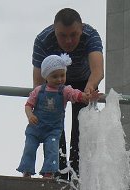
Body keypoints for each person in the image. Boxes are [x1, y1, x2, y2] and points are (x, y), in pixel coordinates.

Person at [32, 8, 104, 179]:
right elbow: (37, 82)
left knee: (81, 128)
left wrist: (89, 89)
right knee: (52, 126)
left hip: (83, 82)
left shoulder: (91, 35)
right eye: (62, 36)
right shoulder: (43, 40)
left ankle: (79, 176)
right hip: (54, 85)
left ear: (81, 29)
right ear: (55, 31)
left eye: (74, 34)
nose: (69, 40)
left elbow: (98, 71)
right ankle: (57, 172)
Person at [17, 54, 101, 178]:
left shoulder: (65, 90)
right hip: (35, 127)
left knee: (52, 150)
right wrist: (30, 116)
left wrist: (87, 97)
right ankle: (27, 170)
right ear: (46, 77)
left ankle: (49, 172)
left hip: (53, 129)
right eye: (54, 76)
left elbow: (77, 95)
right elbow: (28, 105)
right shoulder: (39, 90)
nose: (60, 79)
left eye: (62, 75)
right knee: (29, 147)